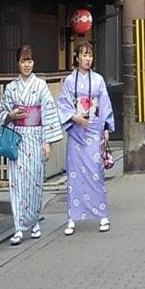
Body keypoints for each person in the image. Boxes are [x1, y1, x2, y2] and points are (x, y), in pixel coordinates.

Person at [0, 45, 63, 246]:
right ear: (17, 63)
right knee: (16, 183)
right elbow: (1, 112)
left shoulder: (41, 86)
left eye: (29, 61)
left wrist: (47, 142)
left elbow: (48, 114)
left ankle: (34, 221)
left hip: (36, 136)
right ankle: (18, 227)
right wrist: (10, 115)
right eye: (23, 61)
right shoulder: (11, 88)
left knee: (35, 182)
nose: (27, 65)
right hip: (18, 136)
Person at [58, 42, 115, 236]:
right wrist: (74, 117)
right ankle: (73, 217)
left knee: (95, 173)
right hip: (76, 131)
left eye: (90, 55)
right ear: (77, 58)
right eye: (84, 55)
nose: (87, 59)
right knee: (74, 175)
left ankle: (102, 214)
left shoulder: (98, 80)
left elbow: (105, 105)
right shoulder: (69, 81)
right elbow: (63, 105)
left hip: (94, 130)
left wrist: (106, 128)